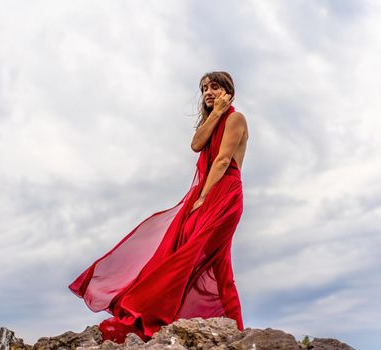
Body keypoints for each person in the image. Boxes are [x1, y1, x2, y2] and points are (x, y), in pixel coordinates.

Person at [68, 71, 249, 343]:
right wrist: (213, 115)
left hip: (223, 195)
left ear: (227, 90)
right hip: (206, 193)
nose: (208, 93)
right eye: (203, 89)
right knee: (218, 265)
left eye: (214, 87)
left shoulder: (236, 119)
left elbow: (222, 161)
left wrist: (203, 198)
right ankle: (236, 331)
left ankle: (146, 310)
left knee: (188, 254)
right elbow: (195, 144)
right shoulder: (213, 122)